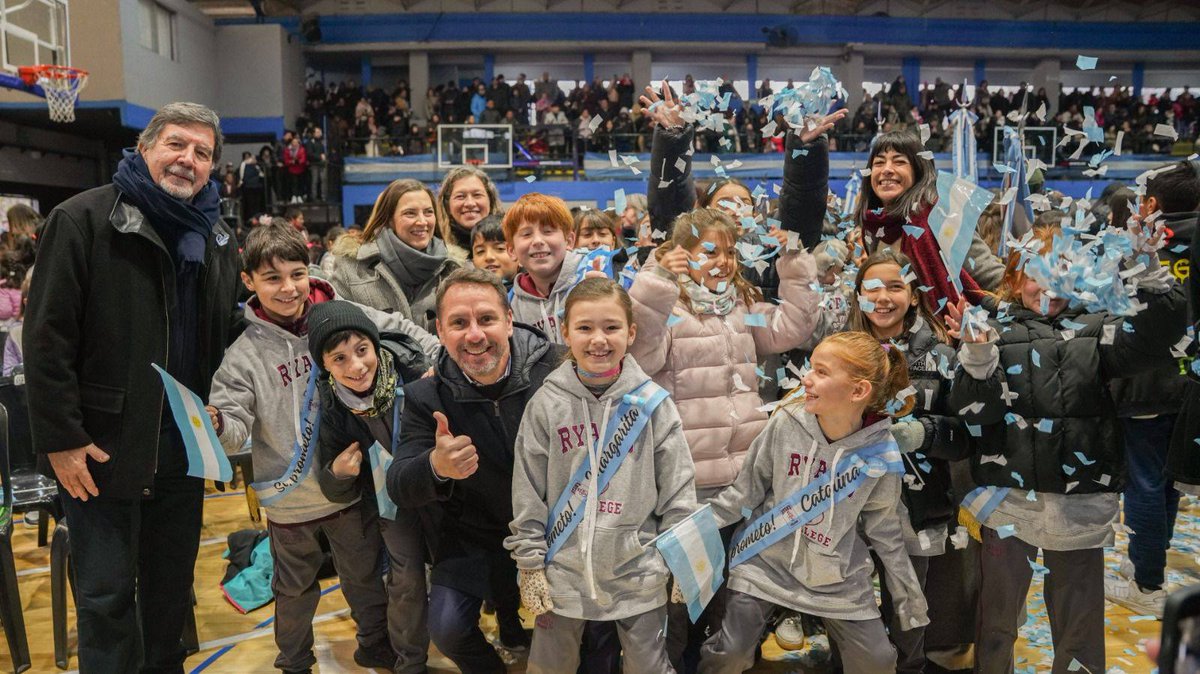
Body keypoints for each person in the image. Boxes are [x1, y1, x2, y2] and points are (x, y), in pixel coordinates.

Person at [25, 101, 242, 672]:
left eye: (202, 152)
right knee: (106, 600)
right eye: (176, 144)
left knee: (170, 598)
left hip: (183, 450)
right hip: (101, 449)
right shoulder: (82, 219)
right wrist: (61, 438)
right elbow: (46, 338)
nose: (188, 159)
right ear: (145, 148)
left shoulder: (217, 236)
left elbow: (228, 331)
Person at [946, 224, 1185, 673]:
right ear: (1014, 278)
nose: (1050, 287)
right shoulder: (990, 329)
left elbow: (1157, 337)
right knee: (996, 621)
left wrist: (1145, 268)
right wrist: (976, 357)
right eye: (1037, 274)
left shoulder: (1099, 329)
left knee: (1079, 629)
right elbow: (975, 414)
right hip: (1006, 503)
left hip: (1078, 507)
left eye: (1062, 273)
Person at [206, 222, 439, 673]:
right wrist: (216, 423)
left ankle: (374, 645)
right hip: (288, 502)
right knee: (293, 591)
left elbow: (405, 332)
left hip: (348, 491)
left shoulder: (341, 313)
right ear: (249, 281)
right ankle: (294, 662)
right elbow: (233, 428)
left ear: (309, 269)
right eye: (272, 278)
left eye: (296, 274)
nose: (287, 288)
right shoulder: (243, 354)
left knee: (364, 580)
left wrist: (439, 360)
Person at [388, 268, 618, 673]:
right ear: (440, 331)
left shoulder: (562, 368)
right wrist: (436, 466)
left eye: (486, 319)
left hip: (562, 531)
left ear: (509, 320)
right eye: (459, 323)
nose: (475, 335)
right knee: (447, 628)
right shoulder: (426, 396)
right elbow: (399, 484)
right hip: (476, 537)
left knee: (598, 629)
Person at [627, 207, 820, 670]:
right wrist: (656, 280)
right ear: (681, 255)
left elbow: (794, 327)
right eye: (710, 250)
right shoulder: (668, 311)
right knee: (677, 604)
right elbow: (640, 356)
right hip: (686, 488)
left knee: (730, 602)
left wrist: (794, 263)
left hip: (745, 485)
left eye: (731, 252)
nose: (723, 261)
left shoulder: (741, 306)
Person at [699, 332, 928, 674]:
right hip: (764, 563)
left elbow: (885, 530)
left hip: (837, 577)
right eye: (810, 368)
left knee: (877, 662)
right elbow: (744, 493)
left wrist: (908, 597)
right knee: (730, 655)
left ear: (858, 391)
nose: (805, 378)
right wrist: (691, 530)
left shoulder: (881, 452)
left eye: (821, 372)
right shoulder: (785, 422)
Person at [506, 278, 696, 674]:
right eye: (585, 327)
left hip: (638, 571)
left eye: (611, 327)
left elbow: (678, 490)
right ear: (565, 332)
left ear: (631, 332)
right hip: (561, 572)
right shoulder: (546, 404)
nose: (598, 340)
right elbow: (528, 492)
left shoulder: (654, 405)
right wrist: (530, 564)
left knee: (648, 668)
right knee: (549, 667)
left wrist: (682, 556)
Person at [846, 248, 971, 673]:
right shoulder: (838, 354)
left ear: (914, 295)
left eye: (895, 286)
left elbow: (964, 437)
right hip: (848, 506)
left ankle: (909, 667)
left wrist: (925, 434)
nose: (883, 297)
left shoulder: (942, 356)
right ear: (858, 295)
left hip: (915, 508)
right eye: (872, 287)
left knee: (909, 608)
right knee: (848, 604)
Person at [309, 300, 434, 674]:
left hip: (434, 488)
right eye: (339, 359)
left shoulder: (415, 373)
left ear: (375, 346)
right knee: (404, 576)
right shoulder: (332, 406)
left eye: (362, 350)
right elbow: (332, 485)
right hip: (387, 500)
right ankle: (410, 661)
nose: (356, 366)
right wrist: (339, 474)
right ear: (325, 366)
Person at [1107, 162, 1200, 617]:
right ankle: (1148, 561)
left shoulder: (1139, 241)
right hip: (1190, 379)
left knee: (1143, 480)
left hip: (1143, 376)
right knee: (1170, 476)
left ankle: (1147, 583)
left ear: (1150, 203)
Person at [848, 131, 1004, 308]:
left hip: (944, 324)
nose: (887, 170)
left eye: (899, 162)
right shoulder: (872, 227)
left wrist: (1025, 294)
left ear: (918, 170)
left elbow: (990, 276)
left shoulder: (942, 215)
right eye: (879, 163)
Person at [328, 179, 463, 334]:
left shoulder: (454, 269)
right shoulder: (351, 267)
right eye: (410, 213)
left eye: (428, 212)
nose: (422, 221)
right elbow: (335, 329)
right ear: (389, 220)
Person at [505, 193, 588, 344]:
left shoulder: (592, 277)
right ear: (511, 250)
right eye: (526, 234)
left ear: (569, 240)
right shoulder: (511, 303)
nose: (538, 241)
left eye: (548, 231)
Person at [436, 166, 503, 251]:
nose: (470, 203)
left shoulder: (512, 241)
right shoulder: (435, 250)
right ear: (447, 206)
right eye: (460, 196)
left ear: (491, 201)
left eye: (477, 195)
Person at [470, 214, 520, 289]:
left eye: (500, 248)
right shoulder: (465, 292)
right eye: (480, 251)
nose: (489, 257)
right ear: (473, 261)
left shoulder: (534, 290)